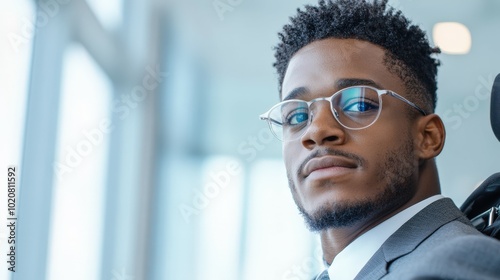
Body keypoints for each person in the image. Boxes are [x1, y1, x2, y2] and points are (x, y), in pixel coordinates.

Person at [259, 0, 500, 279]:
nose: (316, 131)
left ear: (427, 137)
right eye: (296, 116)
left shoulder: (452, 267)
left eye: (359, 105)